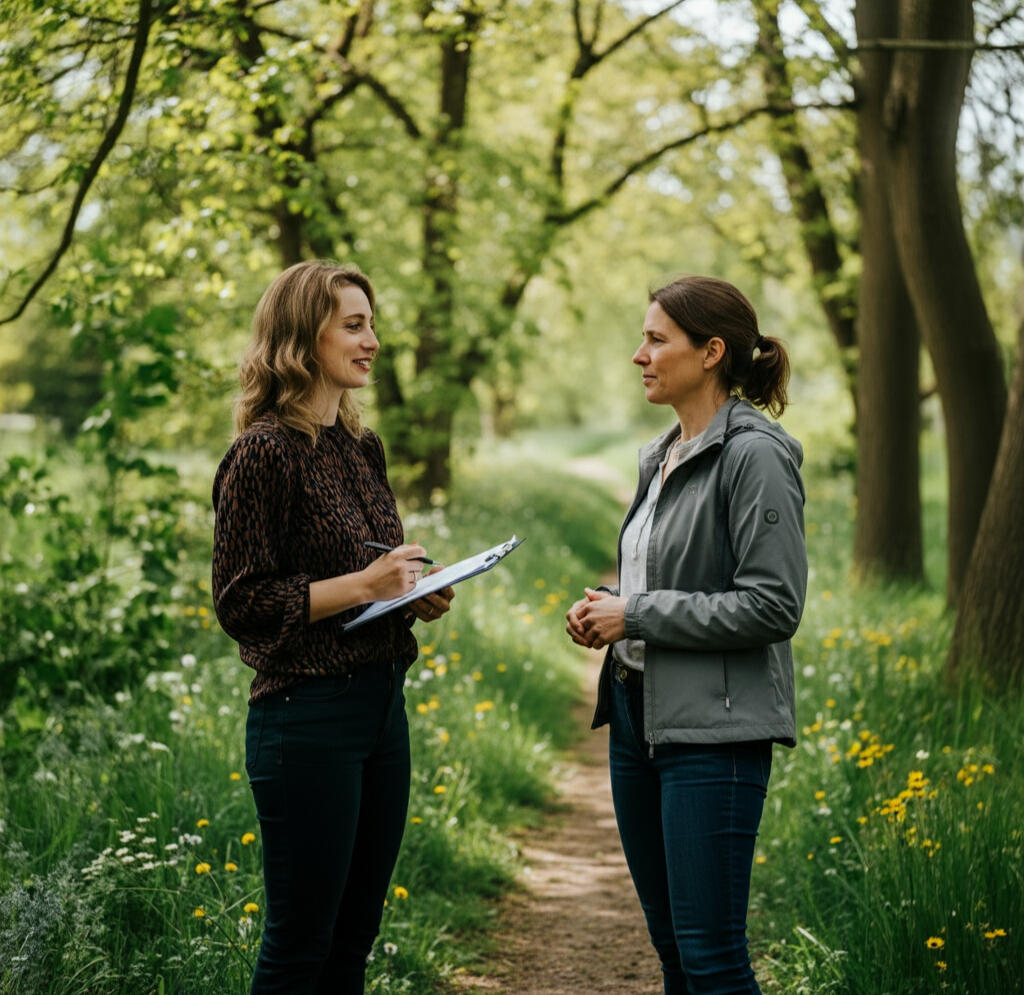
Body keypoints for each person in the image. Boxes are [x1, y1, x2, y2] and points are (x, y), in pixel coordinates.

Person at [212, 260, 454, 994]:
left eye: (370, 323)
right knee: (299, 949)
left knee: (353, 941)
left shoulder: (360, 447)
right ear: (300, 338)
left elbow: (374, 564)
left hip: (382, 710)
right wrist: (364, 586)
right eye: (354, 325)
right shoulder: (262, 453)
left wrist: (414, 590)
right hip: (305, 718)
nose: (372, 340)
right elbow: (240, 602)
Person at [566, 275, 807, 994]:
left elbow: (772, 605)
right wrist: (610, 607)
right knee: (673, 949)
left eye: (655, 339)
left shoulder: (756, 454)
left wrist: (635, 615)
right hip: (638, 721)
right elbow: (678, 579)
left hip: (716, 735)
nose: (639, 354)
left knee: (712, 957)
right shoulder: (660, 453)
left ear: (711, 352)